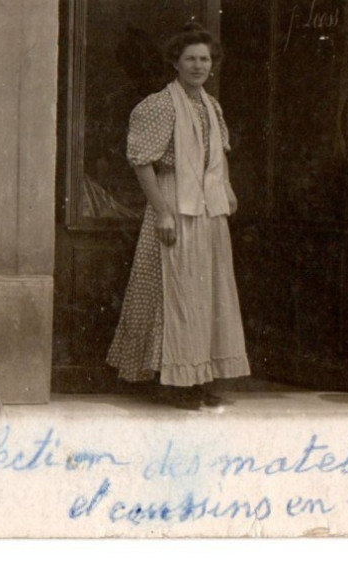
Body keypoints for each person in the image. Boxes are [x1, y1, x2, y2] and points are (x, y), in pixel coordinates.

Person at [107, 21, 250, 409]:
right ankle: (171, 380)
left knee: (206, 290)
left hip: (206, 205)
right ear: (175, 62)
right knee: (176, 292)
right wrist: (163, 211)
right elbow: (143, 164)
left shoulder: (210, 105)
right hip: (173, 201)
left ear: (213, 64)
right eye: (190, 59)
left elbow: (216, 156)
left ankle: (196, 374)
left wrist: (227, 190)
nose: (198, 66)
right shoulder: (158, 105)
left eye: (205, 59)